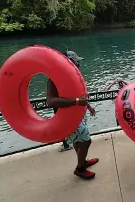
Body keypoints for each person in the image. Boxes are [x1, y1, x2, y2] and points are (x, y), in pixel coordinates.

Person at [46, 50, 98, 180]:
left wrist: (87, 105)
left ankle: (83, 161)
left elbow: (79, 93)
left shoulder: (73, 76)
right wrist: (76, 101)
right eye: (76, 62)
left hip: (78, 113)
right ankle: (80, 168)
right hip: (66, 117)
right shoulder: (54, 79)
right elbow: (50, 101)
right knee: (86, 140)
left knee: (78, 140)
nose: (79, 65)